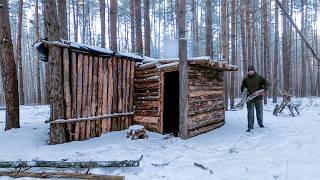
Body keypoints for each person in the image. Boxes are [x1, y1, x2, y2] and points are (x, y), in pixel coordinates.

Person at [241, 65, 269, 132]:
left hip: (258, 98)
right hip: (249, 99)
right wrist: (245, 90)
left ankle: (260, 123)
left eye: (251, 70)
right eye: (249, 70)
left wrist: (262, 90)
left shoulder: (259, 78)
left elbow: (267, 84)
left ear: (254, 70)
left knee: (259, 112)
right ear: (248, 72)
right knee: (250, 113)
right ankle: (250, 127)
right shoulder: (245, 80)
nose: (250, 72)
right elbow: (242, 88)